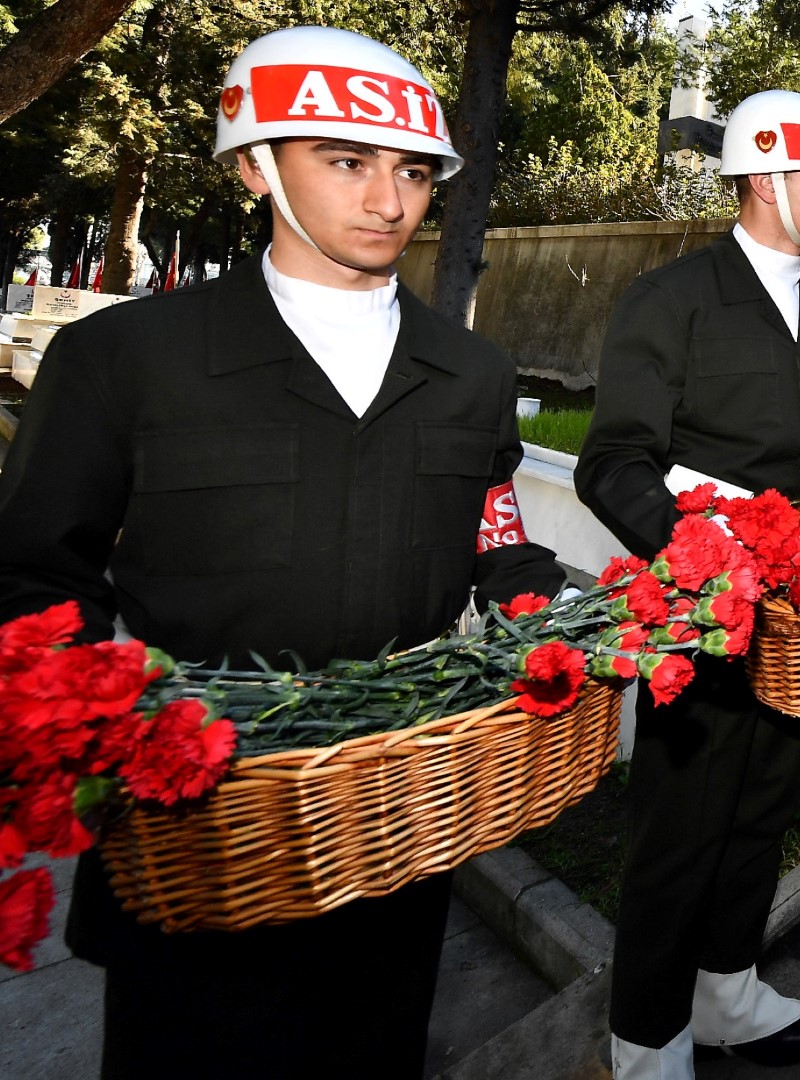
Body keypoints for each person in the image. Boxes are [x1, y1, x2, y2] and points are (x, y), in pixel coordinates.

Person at [0, 26, 568, 1079]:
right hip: (195, 834)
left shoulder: (474, 373)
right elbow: (35, 573)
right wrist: (96, 715)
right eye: (346, 162)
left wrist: (553, 623)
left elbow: (496, 527)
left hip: (394, 826)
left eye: (411, 171)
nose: (388, 200)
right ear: (256, 164)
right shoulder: (124, 359)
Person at [574, 89, 800, 1078]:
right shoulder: (670, 301)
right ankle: (645, 1040)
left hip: (794, 612)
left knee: (764, 804)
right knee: (678, 831)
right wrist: (699, 545)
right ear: (766, 178)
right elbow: (612, 463)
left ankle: (727, 995)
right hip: (698, 619)